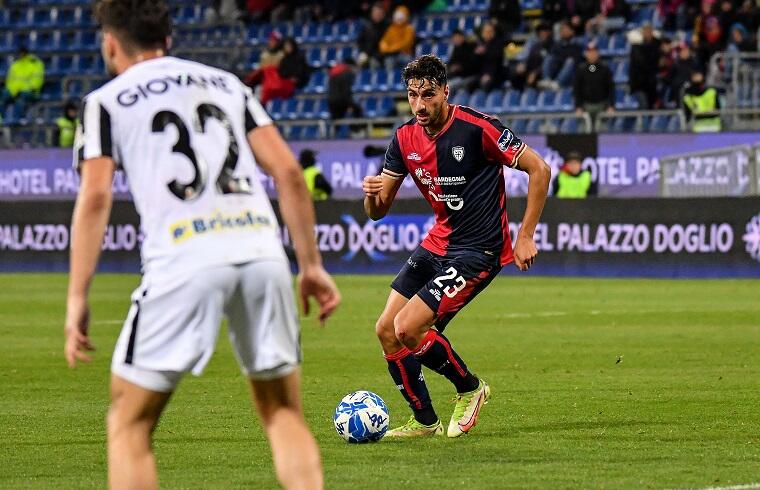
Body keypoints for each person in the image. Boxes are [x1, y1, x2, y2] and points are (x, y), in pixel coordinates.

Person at [63, 2, 341, 490]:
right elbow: (290, 174)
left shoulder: (105, 102)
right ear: (167, 40)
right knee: (281, 412)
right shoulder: (228, 85)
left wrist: (77, 297)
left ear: (109, 43)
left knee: (130, 425)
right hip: (261, 252)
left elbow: (96, 196)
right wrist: (312, 265)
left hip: (183, 259)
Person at [362, 55, 550, 438]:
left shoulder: (478, 128)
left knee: (408, 327)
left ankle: (471, 389)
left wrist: (526, 235)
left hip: (479, 250)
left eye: (428, 95)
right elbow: (378, 212)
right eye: (413, 95)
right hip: (438, 243)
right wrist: (370, 196)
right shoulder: (403, 139)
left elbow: (539, 169)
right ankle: (424, 421)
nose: (419, 104)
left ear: (445, 92)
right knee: (386, 329)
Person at [573, 41, 615, 126]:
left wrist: (611, 106)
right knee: (584, 131)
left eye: (594, 52)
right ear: (586, 54)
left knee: (601, 131)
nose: (592, 54)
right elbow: (576, 89)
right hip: (586, 105)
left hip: (601, 105)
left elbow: (611, 88)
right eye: (590, 52)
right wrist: (578, 106)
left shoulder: (605, 69)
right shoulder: (581, 70)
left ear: (598, 53)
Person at [0, 46, 45, 120]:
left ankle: (18, 120)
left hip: (31, 92)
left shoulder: (36, 64)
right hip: (15, 91)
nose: (21, 55)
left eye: (23, 53)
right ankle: (2, 120)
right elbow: (9, 82)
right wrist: (12, 91)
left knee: (20, 99)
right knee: (2, 97)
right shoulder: (15, 65)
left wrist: (22, 89)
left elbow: (37, 82)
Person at [629, 23, 661, 109]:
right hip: (640, 84)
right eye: (646, 31)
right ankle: (643, 122)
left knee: (651, 106)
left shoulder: (656, 44)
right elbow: (642, 63)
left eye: (649, 31)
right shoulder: (637, 47)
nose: (648, 33)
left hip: (651, 84)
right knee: (644, 106)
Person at [378, 5, 415, 69]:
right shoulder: (391, 28)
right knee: (388, 61)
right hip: (391, 54)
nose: (398, 18)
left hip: (404, 54)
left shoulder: (408, 29)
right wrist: (384, 47)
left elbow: (406, 43)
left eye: (401, 16)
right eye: (397, 16)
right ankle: (389, 77)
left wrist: (391, 49)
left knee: (408, 61)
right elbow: (384, 40)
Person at [473, 21, 506, 91]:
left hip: (495, 74)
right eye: (485, 32)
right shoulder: (479, 44)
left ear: (493, 33)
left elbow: (496, 62)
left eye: (490, 31)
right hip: (479, 74)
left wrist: (488, 74)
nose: (487, 34)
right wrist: (476, 54)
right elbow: (473, 64)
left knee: (485, 84)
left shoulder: (498, 44)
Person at [357, 3, 388, 67]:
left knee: (373, 62)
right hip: (367, 54)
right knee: (359, 61)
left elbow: (385, 45)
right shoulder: (367, 26)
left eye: (379, 13)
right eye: (375, 13)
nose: (377, 15)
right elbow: (360, 41)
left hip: (381, 56)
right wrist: (363, 52)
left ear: (383, 14)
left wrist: (375, 55)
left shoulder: (387, 27)